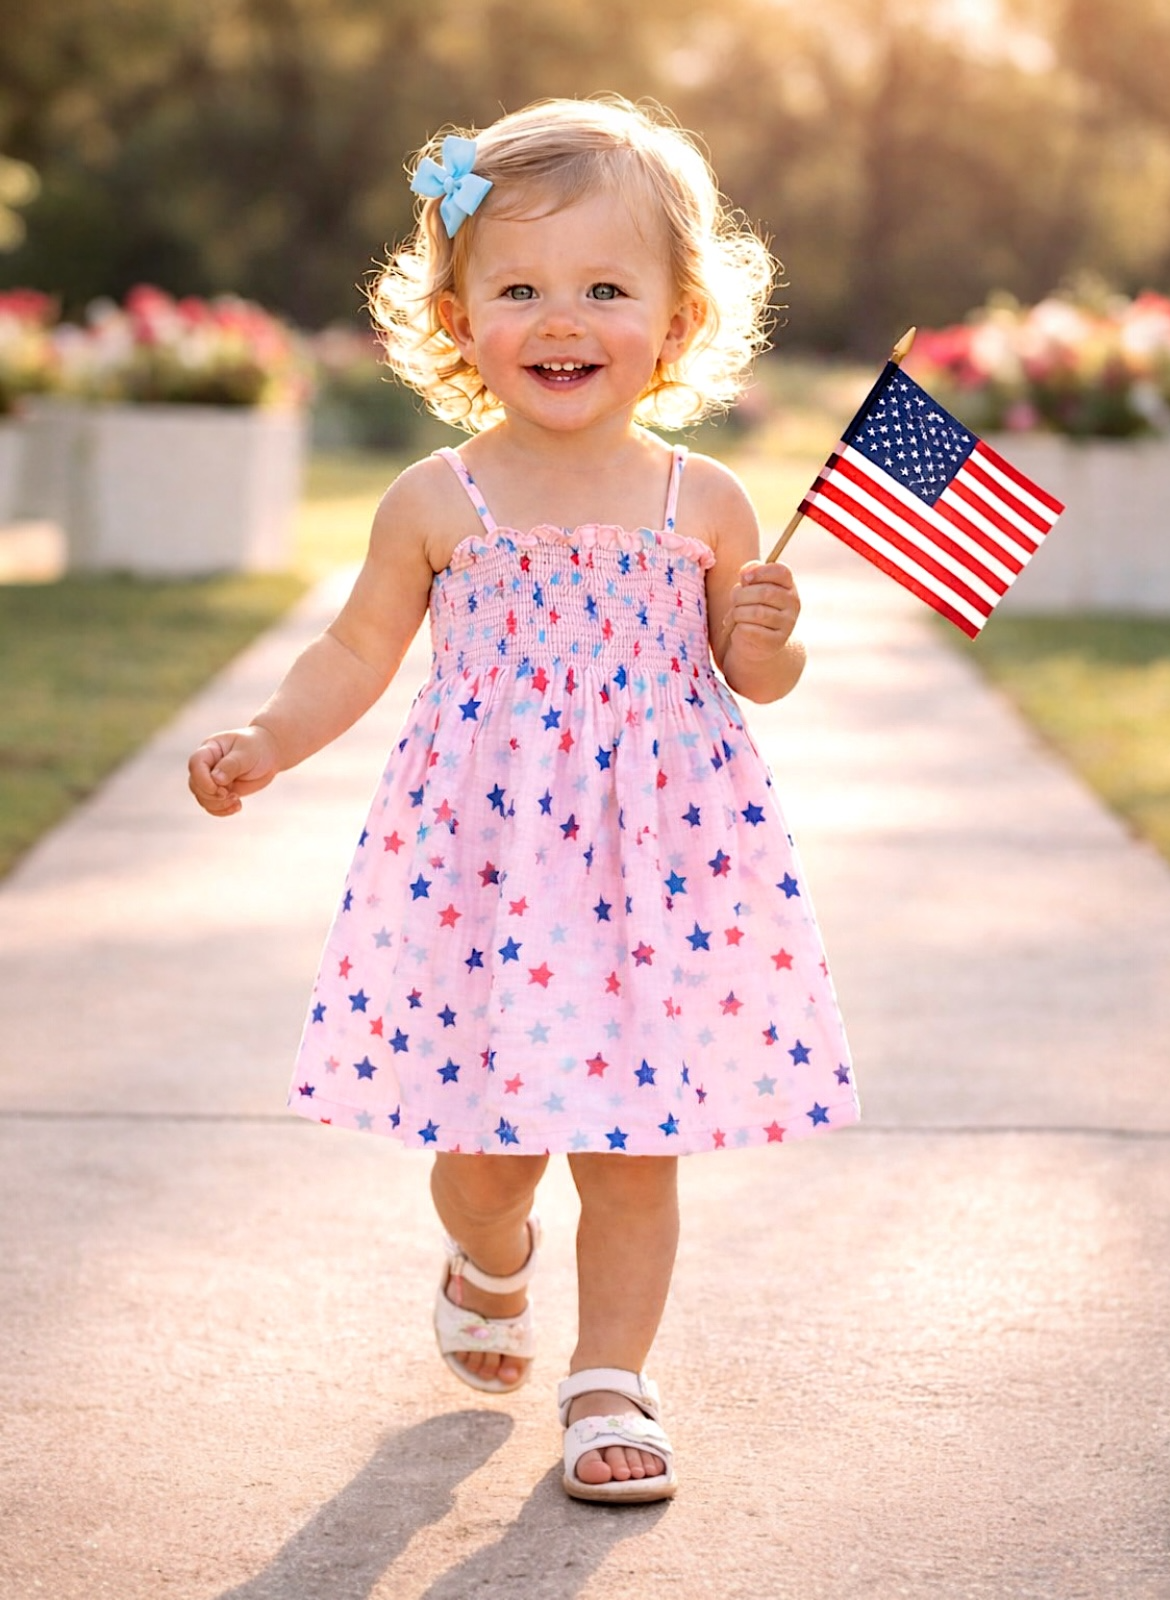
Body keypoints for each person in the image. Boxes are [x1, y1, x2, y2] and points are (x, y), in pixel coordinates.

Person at [188, 95, 859, 1504]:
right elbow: (357, 649)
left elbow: (758, 675)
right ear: (459, 314)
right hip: (491, 881)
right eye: (521, 289)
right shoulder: (439, 501)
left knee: (633, 1149)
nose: (563, 319)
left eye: (607, 288)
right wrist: (267, 737)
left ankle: (611, 1378)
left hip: (660, 878)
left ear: (675, 321)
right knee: (492, 1155)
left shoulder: (707, 502)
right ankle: (489, 1258)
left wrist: (771, 628)